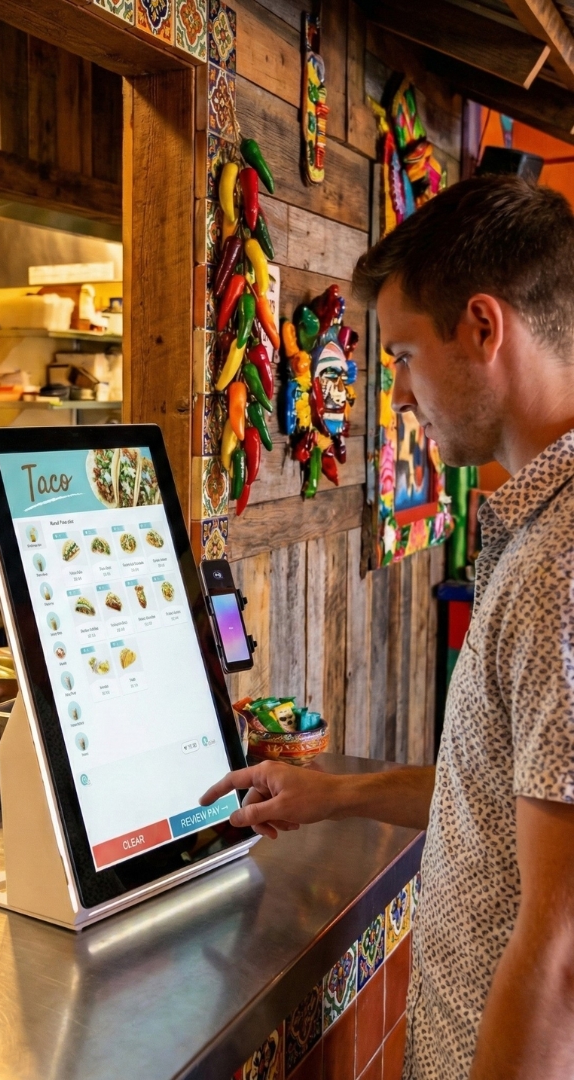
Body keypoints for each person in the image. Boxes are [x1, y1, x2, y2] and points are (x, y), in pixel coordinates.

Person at [201, 176, 574, 1080]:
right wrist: (334, 795)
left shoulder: (559, 564)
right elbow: (505, 795)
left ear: (483, 329)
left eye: (404, 355)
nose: (400, 395)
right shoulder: (540, 527)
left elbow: (561, 955)